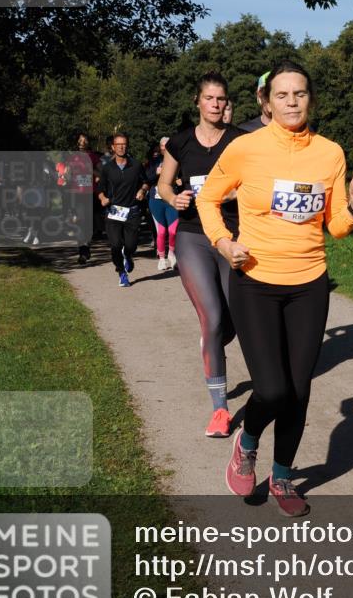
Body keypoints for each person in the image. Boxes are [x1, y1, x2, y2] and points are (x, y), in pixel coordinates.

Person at [196, 60, 353, 517]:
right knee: (271, 389)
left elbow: (335, 227)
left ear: (310, 98)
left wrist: (352, 206)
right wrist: (222, 241)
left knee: (298, 389)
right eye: (282, 95)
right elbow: (207, 198)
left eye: (299, 94)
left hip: (309, 284)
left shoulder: (330, 152)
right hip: (255, 280)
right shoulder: (245, 148)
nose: (291, 102)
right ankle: (247, 442)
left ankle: (284, 476)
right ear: (265, 100)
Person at [158, 72, 246, 438]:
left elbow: (259, 183)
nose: (215, 104)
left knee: (236, 317)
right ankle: (220, 410)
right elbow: (164, 182)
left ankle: (214, 340)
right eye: (209, 98)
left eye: (221, 99)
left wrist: (238, 195)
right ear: (197, 102)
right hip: (193, 236)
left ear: (227, 104)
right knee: (210, 318)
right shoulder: (179, 143)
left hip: (231, 237)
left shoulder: (242, 141)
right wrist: (172, 198)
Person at [97, 132, 150, 287]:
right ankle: (121, 272)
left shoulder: (136, 165)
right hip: (113, 212)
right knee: (115, 245)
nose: (121, 147)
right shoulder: (107, 168)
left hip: (132, 211)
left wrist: (143, 190)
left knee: (131, 245)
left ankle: (128, 255)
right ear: (113, 147)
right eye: (118, 144)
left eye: (124, 144)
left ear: (127, 145)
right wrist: (102, 198)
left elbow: (146, 182)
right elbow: (100, 188)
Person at [67, 133, 102, 264]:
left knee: (88, 222)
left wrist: (92, 171)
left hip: (90, 193)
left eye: (84, 140)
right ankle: (83, 250)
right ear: (77, 142)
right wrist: (66, 176)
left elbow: (100, 173)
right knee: (80, 221)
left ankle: (87, 244)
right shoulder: (72, 157)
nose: (82, 142)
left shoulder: (93, 156)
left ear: (88, 142)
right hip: (77, 193)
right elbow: (68, 175)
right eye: (80, 140)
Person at [146, 136, 179, 272]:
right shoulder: (154, 162)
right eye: (163, 146)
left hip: (171, 199)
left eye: (168, 145)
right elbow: (147, 178)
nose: (165, 148)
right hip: (156, 200)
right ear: (160, 148)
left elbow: (183, 176)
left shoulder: (178, 160)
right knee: (162, 232)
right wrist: (156, 172)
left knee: (173, 231)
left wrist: (180, 180)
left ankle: (171, 254)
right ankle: (161, 258)